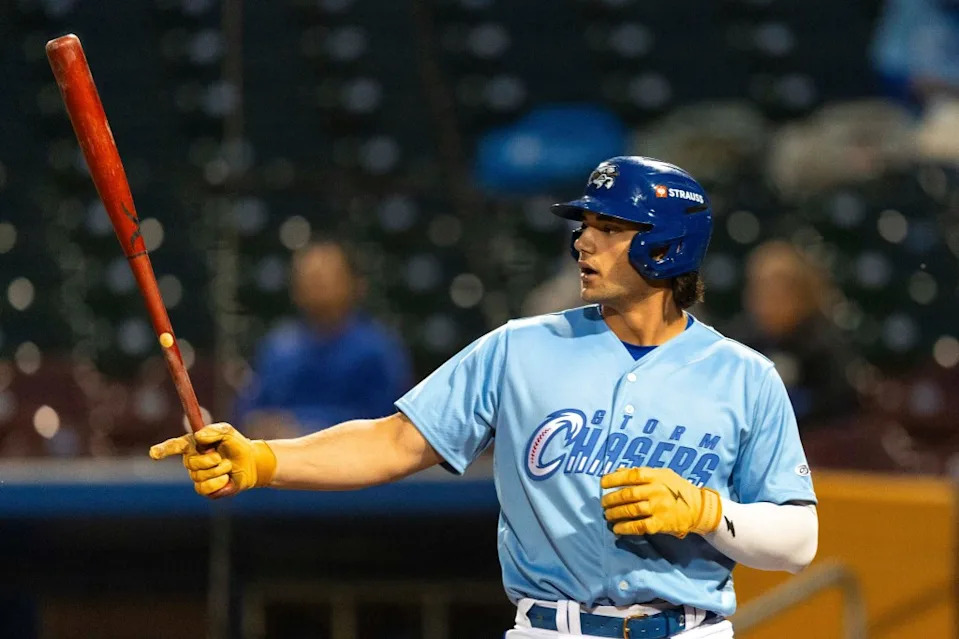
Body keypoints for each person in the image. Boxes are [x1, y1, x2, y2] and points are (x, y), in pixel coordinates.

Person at [152, 157, 818, 639]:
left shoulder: (744, 375)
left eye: (608, 227)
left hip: (689, 629)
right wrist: (264, 459)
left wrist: (704, 509)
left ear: (667, 245)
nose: (582, 240)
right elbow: (393, 442)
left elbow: (797, 541)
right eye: (582, 223)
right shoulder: (519, 348)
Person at [233, 239, 413, 438]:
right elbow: (248, 410)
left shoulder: (378, 350)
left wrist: (305, 427)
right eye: (307, 278)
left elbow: (390, 421)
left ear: (355, 284)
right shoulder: (277, 346)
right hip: (282, 460)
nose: (316, 286)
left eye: (325, 278)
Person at [736, 240, 860, 430]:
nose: (768, 301)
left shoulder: (824, 346)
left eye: (779, 291)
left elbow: (839, 405)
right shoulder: (738, 344)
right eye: (761, 290)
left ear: (802, 294)